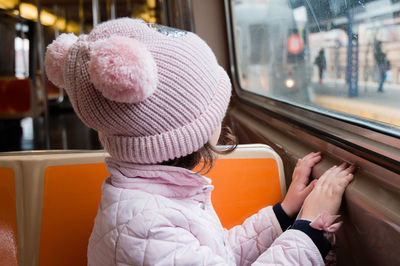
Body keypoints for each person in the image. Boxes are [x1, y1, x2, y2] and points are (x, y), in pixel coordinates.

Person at [44, 18, 355, 265]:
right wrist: (309, 230)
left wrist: (284, 212)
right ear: (184, 134)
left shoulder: (156, 196)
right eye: (214, 113)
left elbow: (220, 254)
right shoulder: (145, 227)